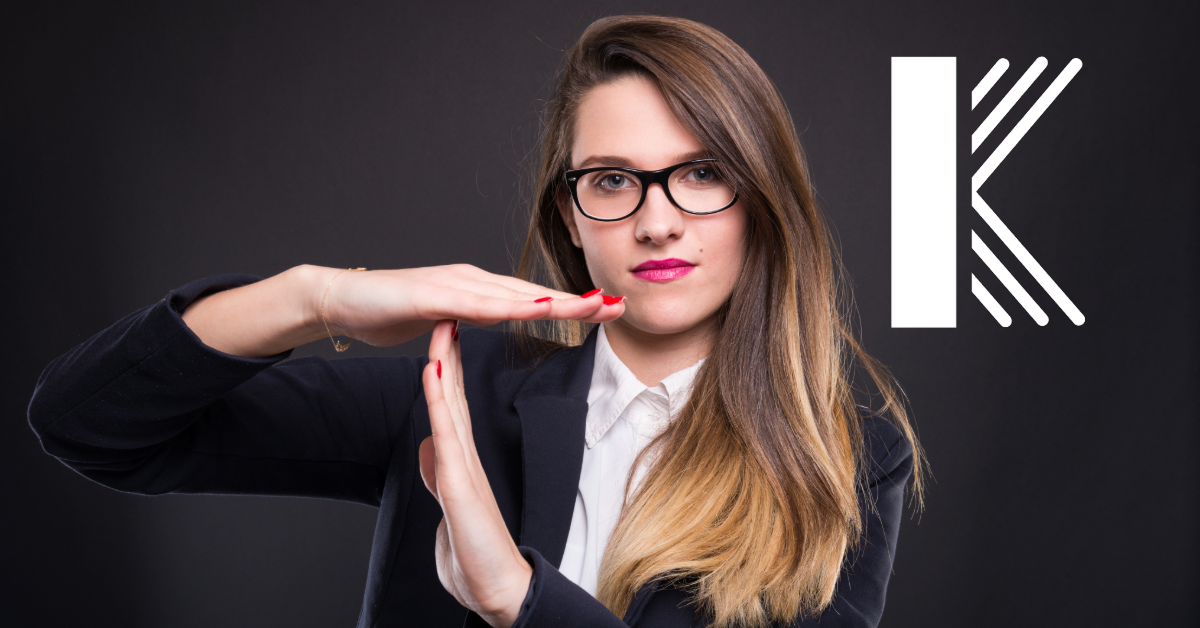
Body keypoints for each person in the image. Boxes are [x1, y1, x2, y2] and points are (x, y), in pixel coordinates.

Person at [27, 14, 923, 628]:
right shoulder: (459, 391)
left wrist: (519, 600)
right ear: (571, 217)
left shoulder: (844, 460)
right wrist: (318, 296)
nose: (656, 220)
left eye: (700, 174)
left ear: (760, 201)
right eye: (611, 179)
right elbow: (92, 423)